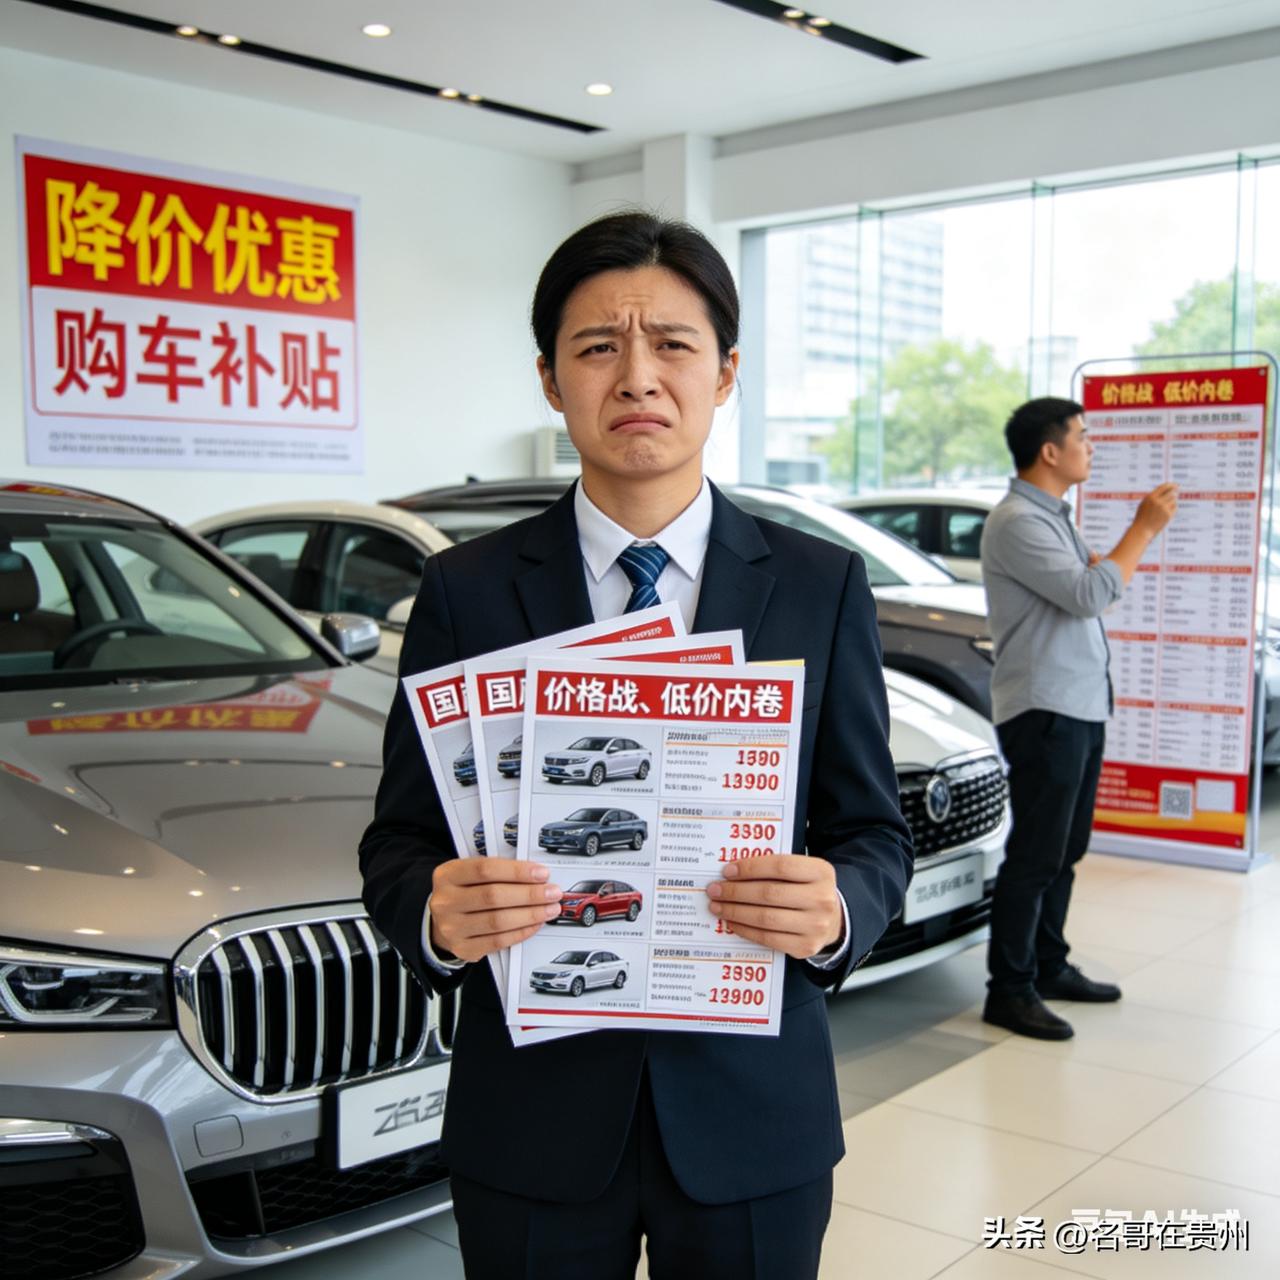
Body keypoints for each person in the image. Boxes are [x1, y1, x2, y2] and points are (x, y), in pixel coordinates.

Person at [359, 211, 912, 1279]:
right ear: (549, 379)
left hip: (753, 1108)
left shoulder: (820, 584)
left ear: (725, 371)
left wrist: (840, 906)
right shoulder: (467, 589)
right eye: (598, 347)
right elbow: (400, 838)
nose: (637, 377)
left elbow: (873, 831)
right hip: (533, 1118)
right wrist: (432, 915)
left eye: (671, 343)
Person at [980, 397, 1177, 1041]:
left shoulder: (1052, 517)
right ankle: (1009, 990)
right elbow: (1091, 593)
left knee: (1066, 850)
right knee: (1036, 855)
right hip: (1046, 709)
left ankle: (1048, 965)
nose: (1091, 448)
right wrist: (1143, 528)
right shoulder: (1016, 521)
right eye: (1083, 437)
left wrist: (1103, 566)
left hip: (1079, 704)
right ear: (1050, 451)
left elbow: (1089, 585)